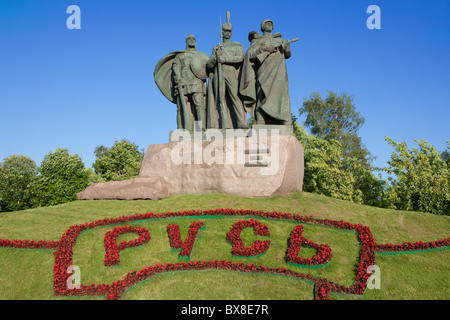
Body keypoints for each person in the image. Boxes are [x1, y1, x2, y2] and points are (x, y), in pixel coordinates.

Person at [239, 19, 293, 125]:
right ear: (262, 27)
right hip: (263, 70)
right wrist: (264, 49)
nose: (269, 25)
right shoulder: (258, 41)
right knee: (262, 93)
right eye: (266, 24)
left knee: (281, 93)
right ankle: (261, 119)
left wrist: (286, 47)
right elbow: (250, 55)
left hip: (279, 71)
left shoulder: (279, 39)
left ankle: (282, 119)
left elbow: (288, 54)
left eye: (271, 24)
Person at [153, 34, 209, 132]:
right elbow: (175, 66)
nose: (192, 41)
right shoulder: (180, 56)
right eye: (190, 39)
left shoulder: (200, 55)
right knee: (180, 108)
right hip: (183, 82)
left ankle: (200, 128)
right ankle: (181, 129)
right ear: (186, 42)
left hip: (197, 82)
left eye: (193, 39)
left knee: (199, 106)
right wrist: (178, 76)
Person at [206, 12, 248, 129]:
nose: (227, 34)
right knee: (220, 99)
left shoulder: (236, 46)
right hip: (218, 74)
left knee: (235, 97)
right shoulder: (217, 48)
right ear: (221, 33)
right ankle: (225, 124)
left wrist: (223, 58)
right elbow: (209, 65)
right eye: (225, 31)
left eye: (229, 32)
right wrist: (215, 58)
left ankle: (241, 123)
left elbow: (240, 57)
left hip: (230, 73)